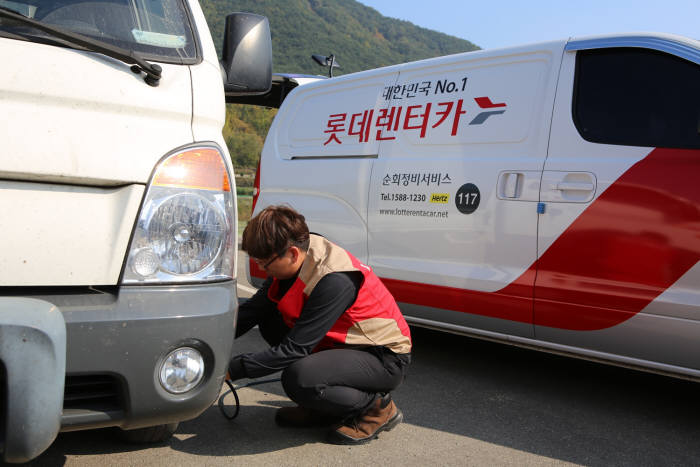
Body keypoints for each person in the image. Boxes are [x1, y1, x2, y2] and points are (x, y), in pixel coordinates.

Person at [227, 205, 412, 445]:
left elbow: (294, 350)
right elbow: (254, 310)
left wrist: (230, 370)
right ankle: (322, 407)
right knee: (269, 320)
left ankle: (376, 408)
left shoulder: (334, 279)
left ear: (292, 253)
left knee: (300, 378)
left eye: (265, 263)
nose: (262, 269)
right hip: (344, 345)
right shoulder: (294, 251)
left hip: (383, 357)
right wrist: (205, 344)